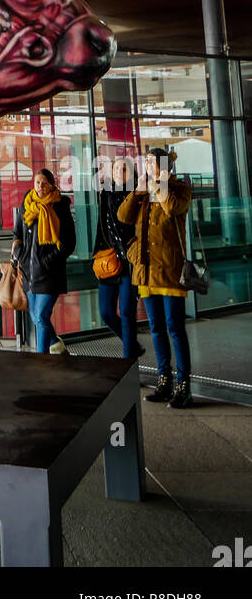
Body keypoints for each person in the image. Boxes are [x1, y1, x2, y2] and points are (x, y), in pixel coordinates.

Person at [117, 147, 193, 408]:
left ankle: (183, 386)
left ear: (163, 164)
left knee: (174, 328)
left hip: (170, 271)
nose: (147, 165)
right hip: (146, 272)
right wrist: (138, 190)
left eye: (151, 161)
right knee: (156, 328)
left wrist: (159, 182)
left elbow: (173, 208)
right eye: (145, 161)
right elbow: (123, 217)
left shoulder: (178, 188)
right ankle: (164, 380)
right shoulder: (144, 190)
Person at [12, 168, 76, 355]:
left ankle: (42, 359)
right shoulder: (27, 204)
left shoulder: (60, 206)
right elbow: (17, 233)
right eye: (37, 182)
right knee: (35, 316)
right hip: (29, 272)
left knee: (40, 316)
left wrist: (46, 262)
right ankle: (56, 343)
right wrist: (19, 254)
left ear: (52, 185)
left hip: (50, 274)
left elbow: (68, 243)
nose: (40, 186)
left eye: (44, 183)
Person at [94, 155, 144, 359]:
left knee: (127, 313)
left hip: (129, 260)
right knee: (106, 312)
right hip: (108, 259)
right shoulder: (106, 193)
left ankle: (128, 362)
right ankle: (131, 344)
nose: (118, 173)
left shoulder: (138, 195)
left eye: (123, 169)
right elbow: (101, 227)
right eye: (115, 169)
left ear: (132, 174)